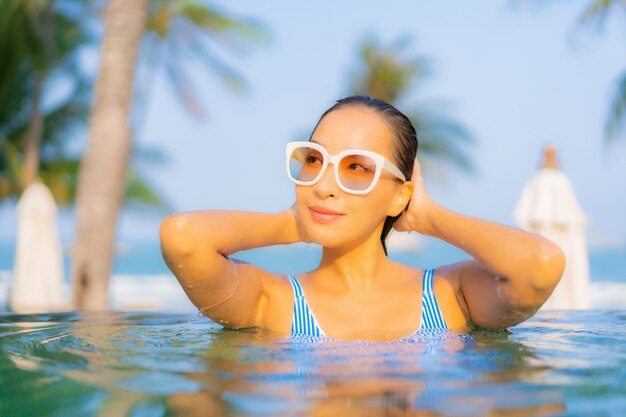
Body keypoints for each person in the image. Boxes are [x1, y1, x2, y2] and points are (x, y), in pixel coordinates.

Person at [160, 95, 565, 342]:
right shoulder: (273, 302)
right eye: (314, 160)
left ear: (398, 196)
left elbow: (540, 266)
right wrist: (295, 223)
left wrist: (427, 216)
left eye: (357, 167)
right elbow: (183, 237)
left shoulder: (447, 294)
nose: (324, 184)